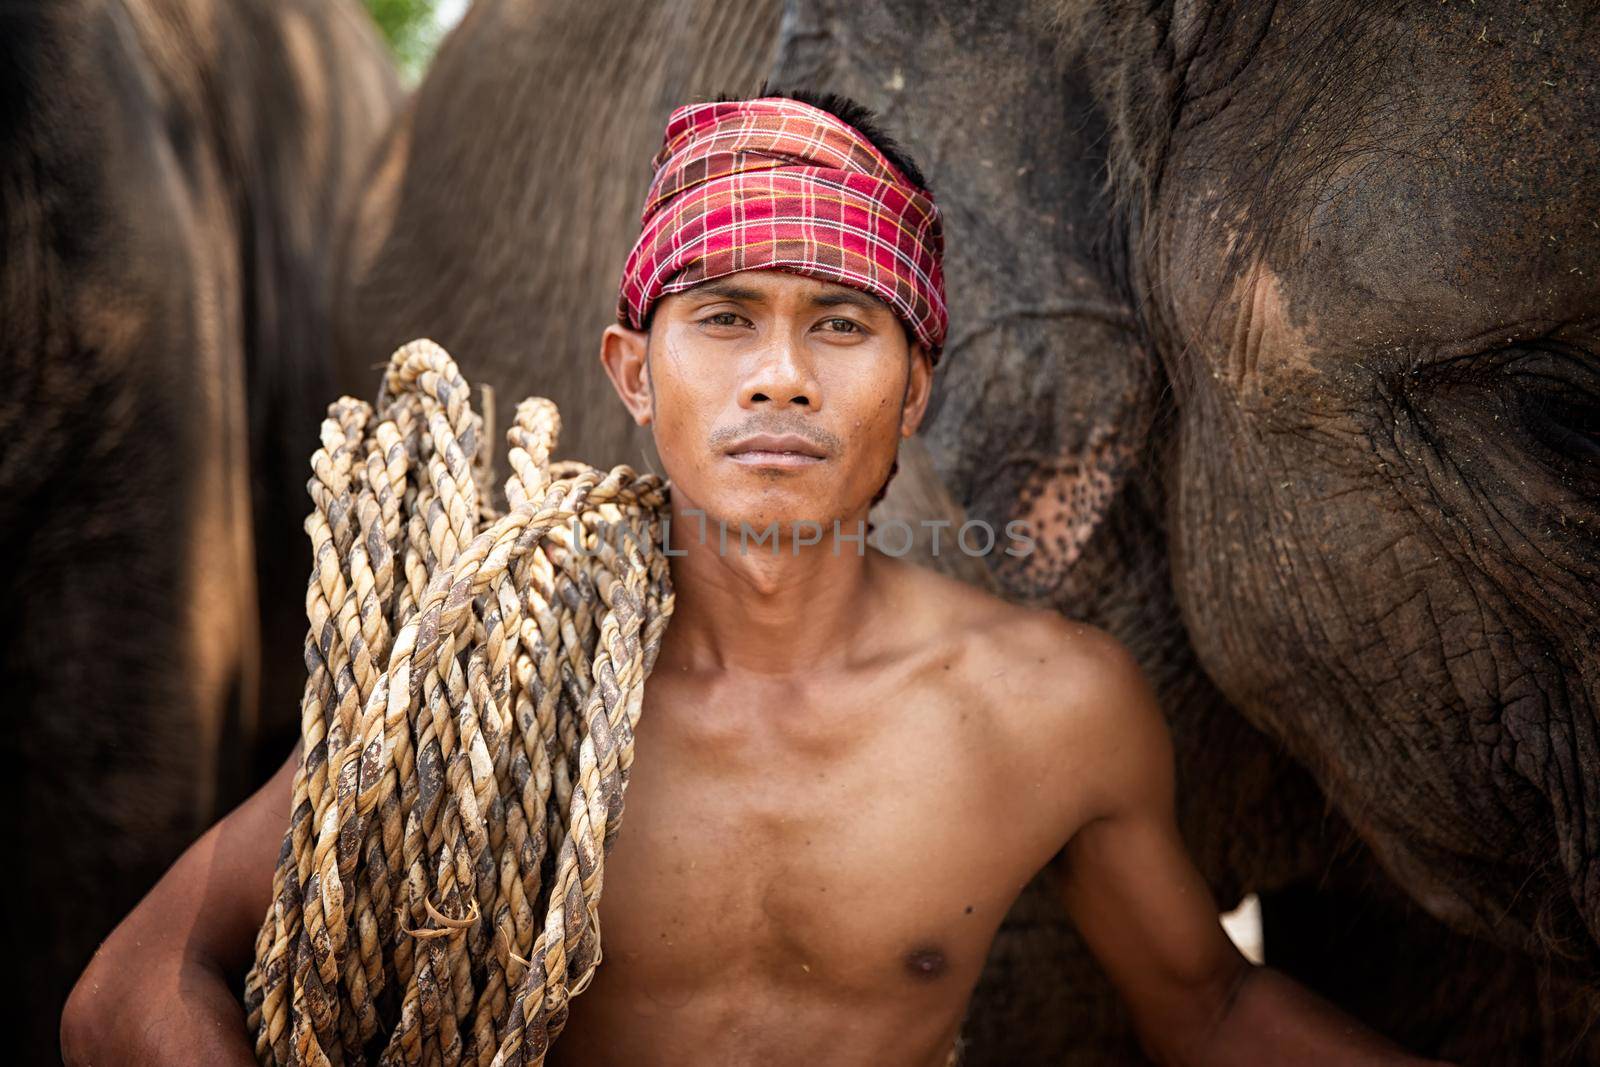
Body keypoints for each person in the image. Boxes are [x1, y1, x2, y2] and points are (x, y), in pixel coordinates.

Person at [61, 91, 1449, 1067]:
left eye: (841, 324)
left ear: (914, 391)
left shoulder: (1046, 712)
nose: (780, 373)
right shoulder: (495, 675)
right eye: (722, 318)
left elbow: (1204, 1012)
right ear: (633, 374)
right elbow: (131, 986)